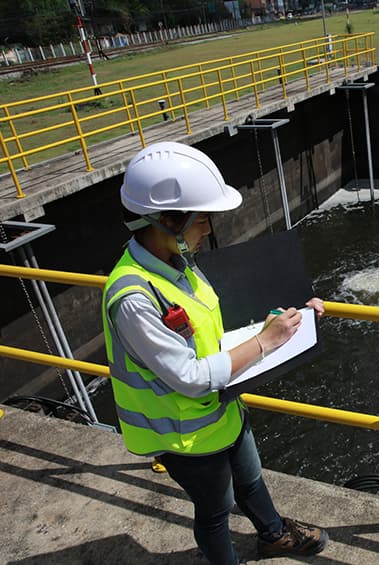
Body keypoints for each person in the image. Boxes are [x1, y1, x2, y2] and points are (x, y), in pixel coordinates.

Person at [101, 141, 328, 564]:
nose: (207, 228)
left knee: (252, 480)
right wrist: (265, 341)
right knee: (215, 510)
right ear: (168, 220)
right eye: (202, 219)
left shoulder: (178, 265)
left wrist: (293, 320)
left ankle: (273, 535)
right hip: (186, 435)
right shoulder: (132, 296)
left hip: (222, 410)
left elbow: (214, 332)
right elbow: (189, 376)